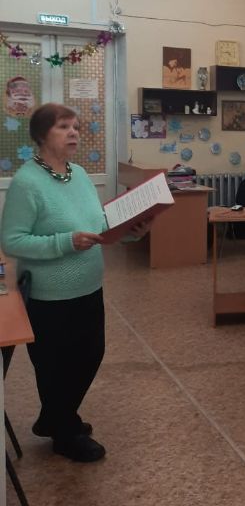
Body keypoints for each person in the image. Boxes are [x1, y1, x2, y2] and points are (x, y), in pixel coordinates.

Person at [0, 103, 150, 463]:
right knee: (56, 367)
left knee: (90, 355)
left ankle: (55, 418)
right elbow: (12, 241)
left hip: (88, 286)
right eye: (63, 127)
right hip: (48, 295)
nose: (73, 133)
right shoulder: (26, 183)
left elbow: (97, 223)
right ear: (41, 135)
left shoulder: (79, 174)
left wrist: (130, 231)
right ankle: (64, 433)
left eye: (77, 127)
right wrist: (64, 242)